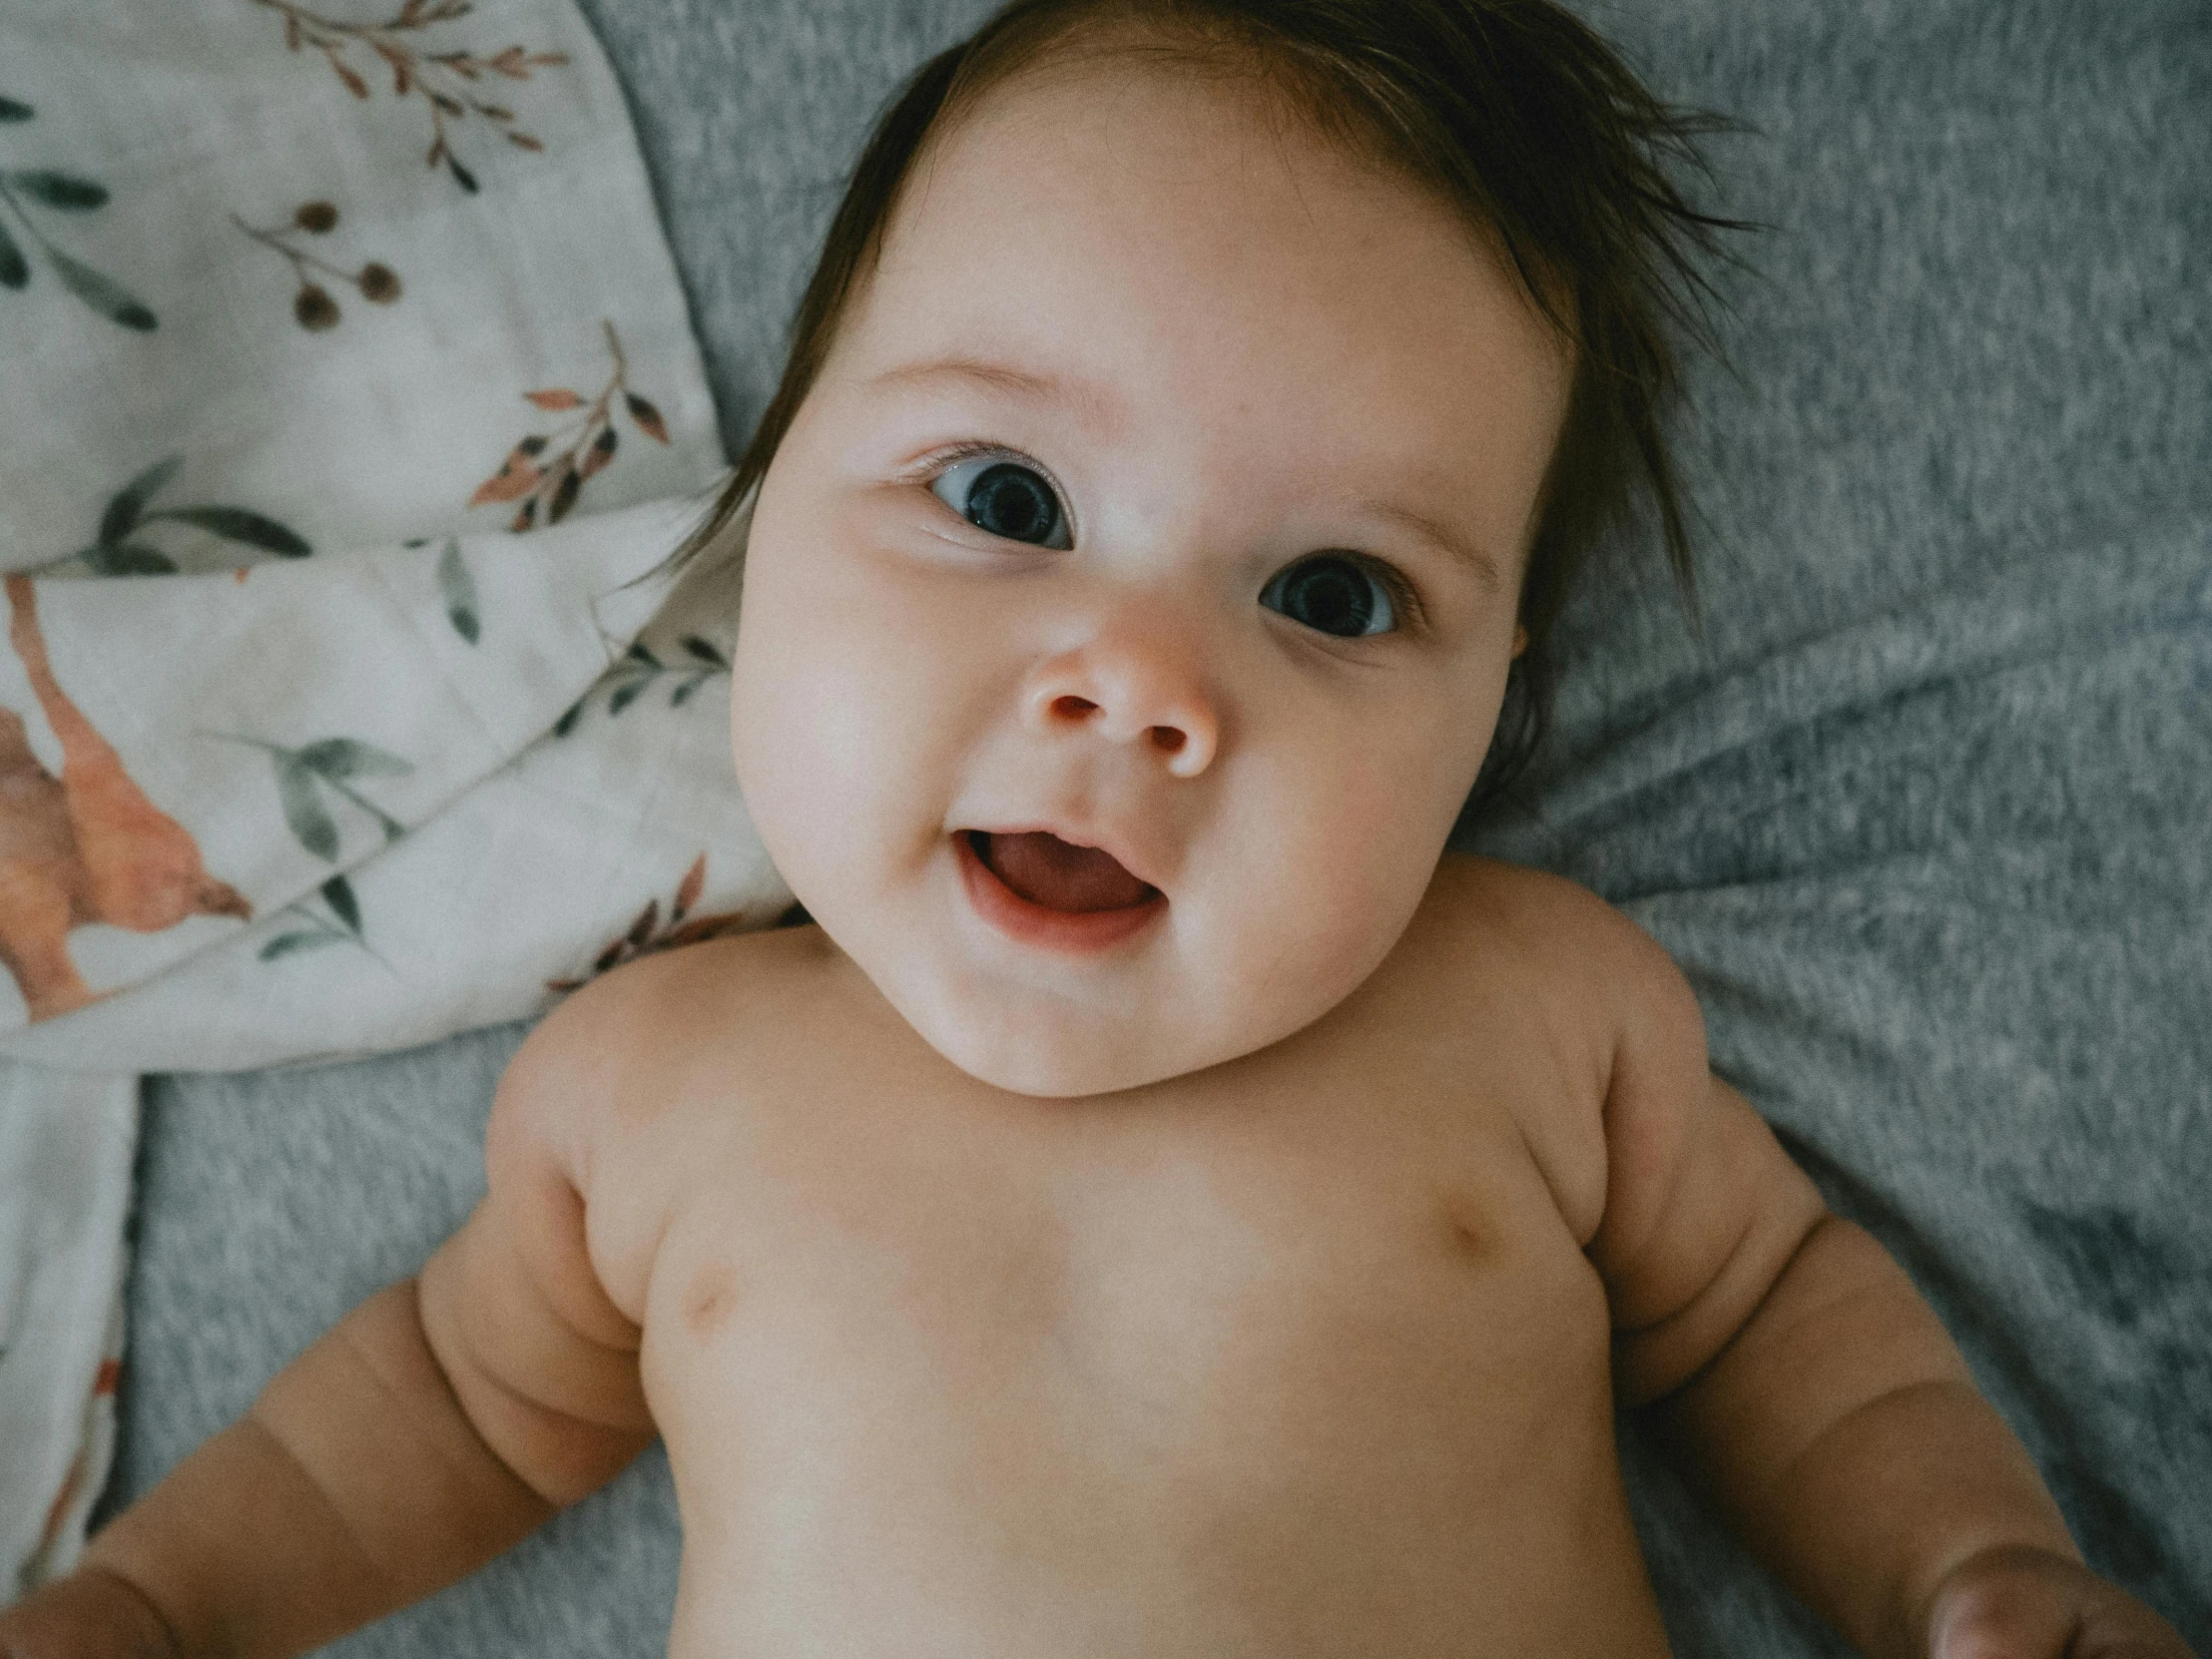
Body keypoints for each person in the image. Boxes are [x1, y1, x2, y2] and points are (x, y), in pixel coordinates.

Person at [3, 1, 2194, 1655]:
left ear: (1488, 723)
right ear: (760, 533)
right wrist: (156, 1612)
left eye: (1333, 597)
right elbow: (449, 1413)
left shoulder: (1534, 1010)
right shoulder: (654, 1079)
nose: (1136, 684)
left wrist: (1970, 1559)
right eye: (1003, 502)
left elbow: (1770, 1315)